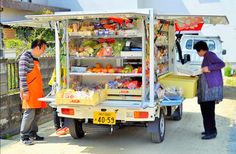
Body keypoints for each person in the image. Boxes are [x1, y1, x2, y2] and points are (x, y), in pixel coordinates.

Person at [194, 41, 225, 140]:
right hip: (207, 90)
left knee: (208, 111)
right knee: (206, 110)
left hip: (210, 90)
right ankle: (208, 130)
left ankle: (211, 132)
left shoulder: (210, 55)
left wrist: (209, 68)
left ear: (201, 50)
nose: (197, 53)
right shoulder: (206, 56)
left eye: (197, 51)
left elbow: (221, 64)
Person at [19, 39, 48, 145]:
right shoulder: (25, 57)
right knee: (29, 113)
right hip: (29, 91)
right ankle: (24, 136)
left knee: (37, 113)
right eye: (43, 48)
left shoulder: (35, 58)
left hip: (37, 91)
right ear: (37, 47)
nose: (44, 51)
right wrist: (25, 91)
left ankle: (33, 134)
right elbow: (22, 76)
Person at [48, 67, 69, 135]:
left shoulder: (66, 61)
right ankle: (57, 128)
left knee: (64, 106)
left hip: (62, 86)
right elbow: (56, 77)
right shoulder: (62, 61)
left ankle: (64, 126)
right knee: (56, 107)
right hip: (55, 86)